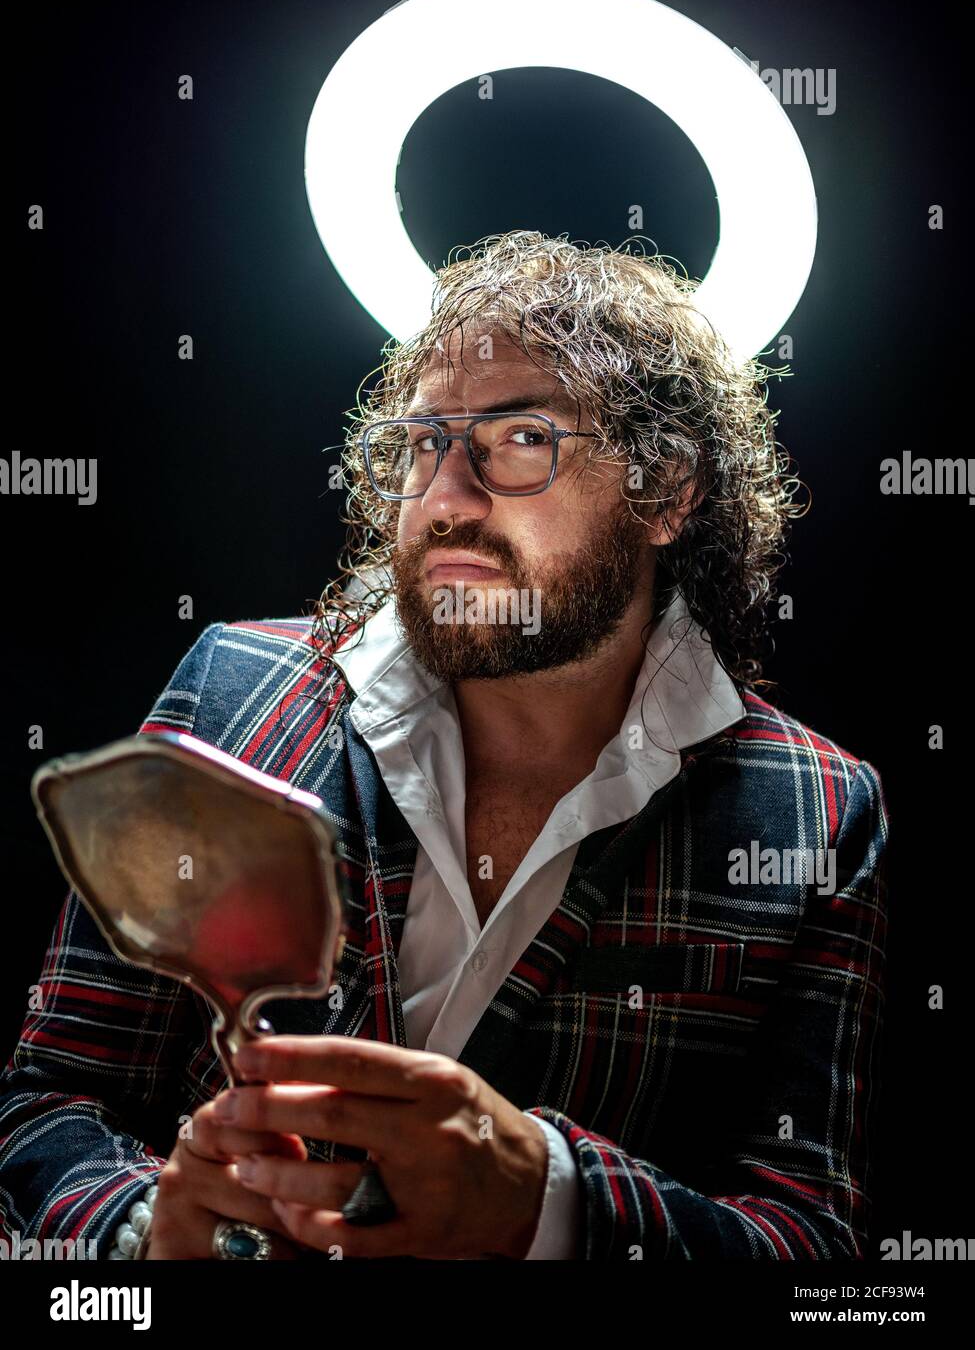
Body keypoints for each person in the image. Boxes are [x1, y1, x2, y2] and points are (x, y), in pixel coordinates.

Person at [0, 230, 888, 1261]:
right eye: (424, 443)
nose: (447, 498)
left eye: (518, 441)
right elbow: (47, 1097)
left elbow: (815, 1248)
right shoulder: (233, 694)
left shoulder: (815, 809)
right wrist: (142, 1237)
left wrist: (549, 1205)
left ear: (666, 491)